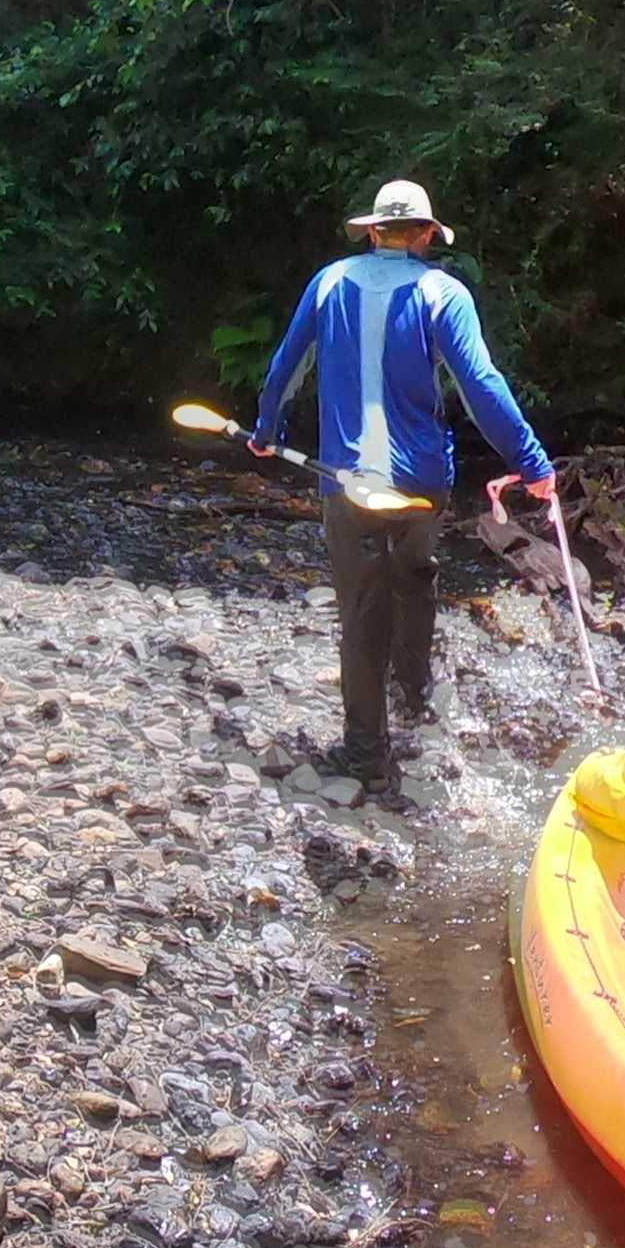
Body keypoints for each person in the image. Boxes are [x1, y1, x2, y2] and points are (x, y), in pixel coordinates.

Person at [253, 177, 556, 790]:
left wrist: (265, 428)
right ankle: (416, 701)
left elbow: (285, 366)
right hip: (422, 484)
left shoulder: (329, 282)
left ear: (372, 232)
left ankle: (367, 756)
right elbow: (481, 386)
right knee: (416, 577)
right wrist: (532, 462)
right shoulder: (444, 292)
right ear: (422, 234)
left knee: (363, 611)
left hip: (349, 484)